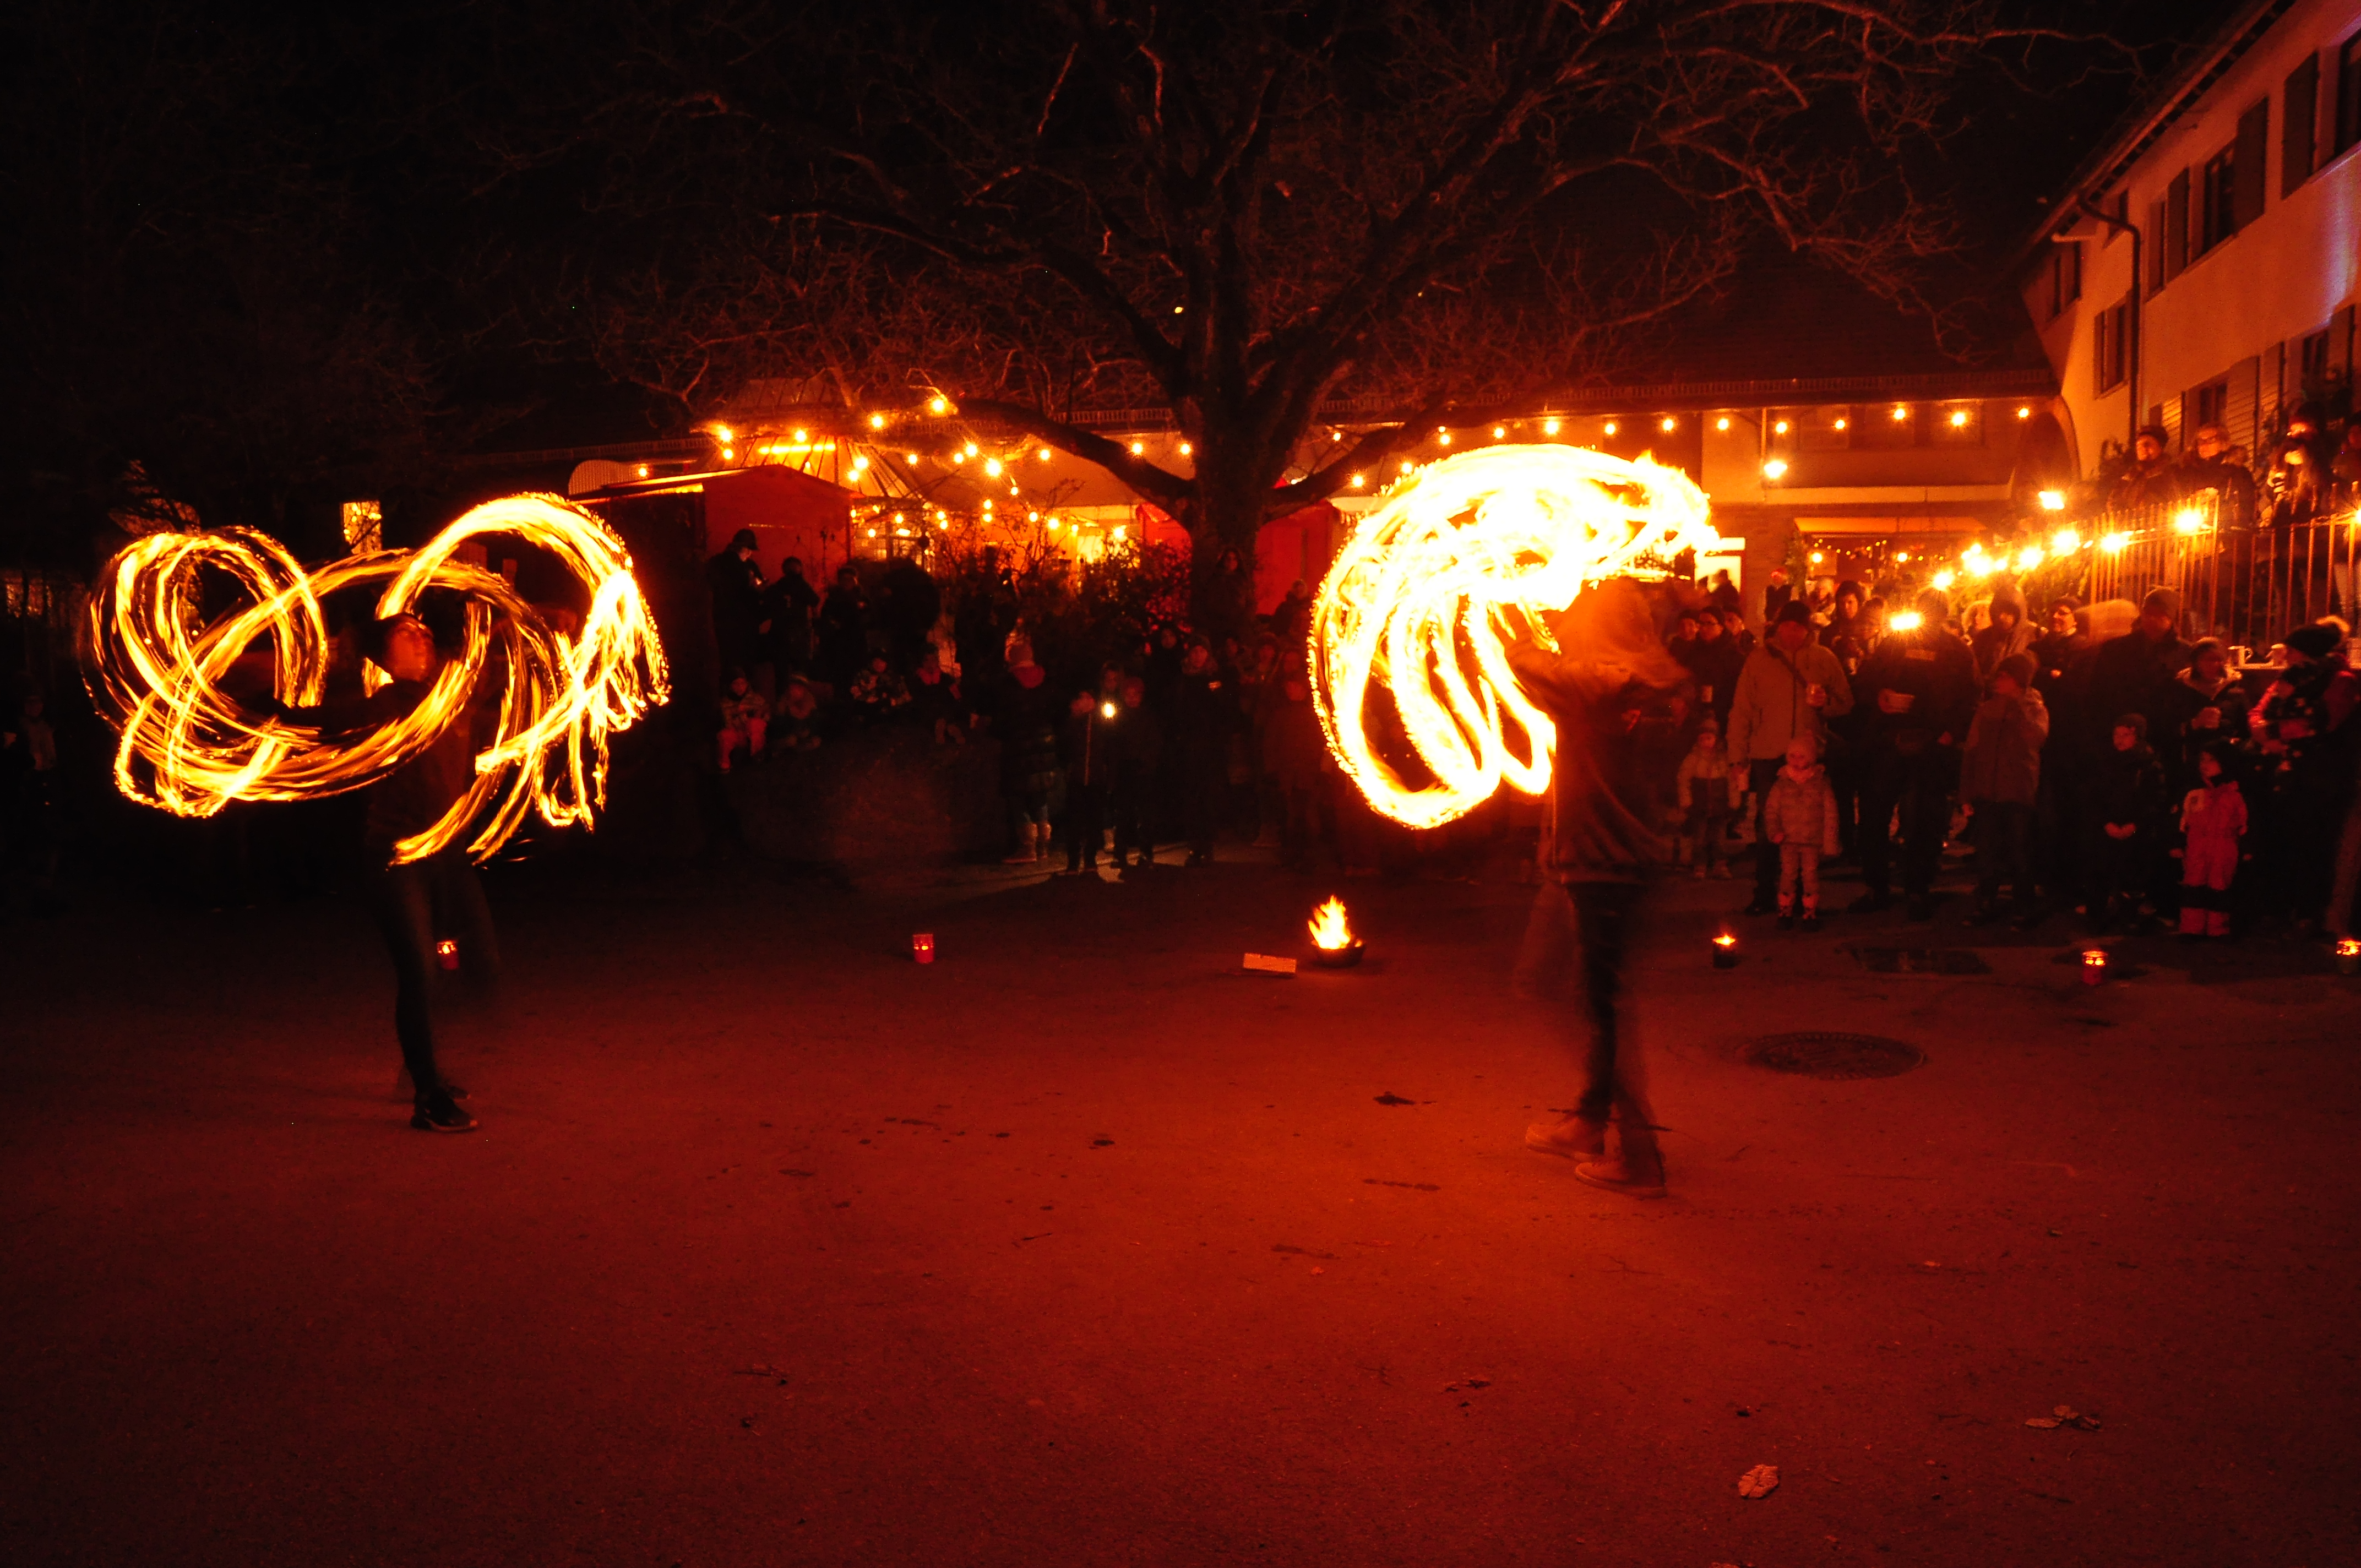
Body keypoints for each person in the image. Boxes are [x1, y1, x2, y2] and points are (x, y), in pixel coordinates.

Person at [270, 616, 492, 1134]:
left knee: (466, 964)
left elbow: (501, 657)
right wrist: (268, 714)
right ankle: (427, 1095)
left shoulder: (457, 692)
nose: (422, 635)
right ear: (385, 659)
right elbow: (321, 722)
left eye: (425, 630)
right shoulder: (384, 710)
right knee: (420, 970)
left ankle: (421, 1066)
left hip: (448, 854)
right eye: (407, 633)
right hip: (397, 860)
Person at [1510, 579, 1687, 1197]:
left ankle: (1639, 1156)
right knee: (1555, 983)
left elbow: (1526, 661)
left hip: (1603, 858)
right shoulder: (1651, 676)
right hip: (1601, 853)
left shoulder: (1604, 682)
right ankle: (1589, 1117)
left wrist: (1497, 600)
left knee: (1600, 1005)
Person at [1852, 587, 1978, 921]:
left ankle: (1917, 888)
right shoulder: (1895, 645)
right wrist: (1881, 697)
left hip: (1932, 744)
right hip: (1890, 739)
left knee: (1924, 821)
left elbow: (1970, 697)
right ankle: (1878, 886)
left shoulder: (1957, 652)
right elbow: (1866, 681)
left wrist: (1951, 733)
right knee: (1876, 817)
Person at [1725, 600, 1852, 917]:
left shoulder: (1823, 659)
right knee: (1770, 823)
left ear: (1808, 629)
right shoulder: (1759, 660)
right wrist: (1737, 756)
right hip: (1770, 754)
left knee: (1807, 828)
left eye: (1798, 627)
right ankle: (1766, 891)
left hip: (1809, 757)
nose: (1792, 632)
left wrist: (1824, 705)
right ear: (1777, 626)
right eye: (1787, 626)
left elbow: (1846, 703)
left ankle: (1803, 892)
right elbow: (1742, 710)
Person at [1960, 653, 2049, 927]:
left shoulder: (2034, 707)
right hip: (1988, 791)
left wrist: (2018, 706)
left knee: (2019, 851)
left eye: (2005, 676)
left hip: (2017, 792)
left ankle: (2024, 904)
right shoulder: (1987, 710)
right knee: (1987, 852)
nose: (1998, 681)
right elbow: (1972, 751)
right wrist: (1966, 793)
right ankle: (1985, 901)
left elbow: (2036, 738)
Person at [2087, 713, 2168, 933]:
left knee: (2133, 874)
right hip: (2109, 829)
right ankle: (2102, 915)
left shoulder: (2150, 766)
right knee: (2105, 871)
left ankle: (2130, 917)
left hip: (2137, 833)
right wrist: (2106, 823)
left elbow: (2155, 799)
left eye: (2126, 735)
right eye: (2116, 734)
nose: (2120, 740)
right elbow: (2095, 797)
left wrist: (2136, 825)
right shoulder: (2105, 763)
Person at [1762, 734, 1841, 930]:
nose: (1797, 761)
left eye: (1802, 757)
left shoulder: (1821, 784)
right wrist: (1774, 831)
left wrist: (1830, 842)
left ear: (1811, 758)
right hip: (1787, 840)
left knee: (1810, 876)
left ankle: (1809, 913)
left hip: (1811, 840)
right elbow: (1771, 811)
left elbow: (1831, 814)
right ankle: (1785, 911)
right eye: (1793, 757)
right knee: (1787, 874)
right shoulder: (1781, 783)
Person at [995, 636, 1061, 865]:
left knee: (1018, 797)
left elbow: (1002, 718)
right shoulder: (1046, 680)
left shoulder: (1008, 684)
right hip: (1044, 746)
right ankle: (1044, 845)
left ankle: (1027, 847)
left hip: (1018, 747)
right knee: (1040, 797)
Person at [1260, 662, 1329, 870]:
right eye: (1288, 687)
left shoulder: (1315, 715)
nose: (1291, 690)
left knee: (1309, 816)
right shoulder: (1281, 715)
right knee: (1291, 816)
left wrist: (1322, 771)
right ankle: (1292, 854)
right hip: (1288, 775)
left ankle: (1308, 857)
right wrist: (1272, 770)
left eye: (1295, 686)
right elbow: (1271, 744)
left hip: (1308, 774)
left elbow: (1321, 745)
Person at [2174, 743, 2247, 939]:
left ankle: (2218, 929)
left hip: (2224, 848)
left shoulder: (2235, 794)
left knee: (2220, 886)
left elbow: (2245, 825)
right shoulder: (2196, 792)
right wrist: (2178, 844)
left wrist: (2248, 849)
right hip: (2197, 847)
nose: (2205, 765)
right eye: (2203, 760)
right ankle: (2191, 928)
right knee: (2194, 885)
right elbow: (2182, 821)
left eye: (2211, 760)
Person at [1172, 639, 1232, 865]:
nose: (1198, 656)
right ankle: (1194, 845)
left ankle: (1207, 845)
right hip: (1188, 747)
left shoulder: (1214, 679)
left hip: (1210, 748)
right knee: (1191, 797)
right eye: (1194, 651)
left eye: (1201, 651)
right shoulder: (1183, 680)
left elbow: (1224, 710)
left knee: (1208, 797)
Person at [1057, 689, 1114, 875]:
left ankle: (1090, 860)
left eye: (1089, 698)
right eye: (1082, 698)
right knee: (1074, 821)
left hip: (1097, 778)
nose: (1085, 702)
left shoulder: (1101, 720)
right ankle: (1073, 862)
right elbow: (1064, 747)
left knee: (1094, 821)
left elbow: (1109, 747)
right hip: (1076, 778)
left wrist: (1108, 772)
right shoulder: (1073, 721)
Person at [1109, 675, 1163, 869]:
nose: (1132, 698)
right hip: (1125, 770)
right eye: (1128, 695)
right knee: (1123, 814)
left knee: (1145, 815)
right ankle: (1120, 853)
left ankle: (1146, 853)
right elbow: (1114, 745)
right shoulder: (1119, 717)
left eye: (1135, 695)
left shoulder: (1148, 716)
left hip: (1143, 771)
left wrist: (1148, 763)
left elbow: (1155, 743)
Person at [1674, 718, 1735, 879]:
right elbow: (1683, 779)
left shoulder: (1723, 759)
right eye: (1702, 739)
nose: (1706, 742)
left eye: (1709, 738)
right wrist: (1687, 801)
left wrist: (1734, 801)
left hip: (1719, 806)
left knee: (1719, 838)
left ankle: (1720, 865)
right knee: (1699, 838)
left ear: (1716, 739)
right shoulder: (1693, 759)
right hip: (1699, 806)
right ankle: (1700, 866)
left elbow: (1732, 781)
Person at [704, 528, 766, 677]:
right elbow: (757, 589)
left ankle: (728, 695)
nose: (750, 554)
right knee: (744, 663)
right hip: (744, 621)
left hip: (722, 619)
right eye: (749, 550)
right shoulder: (746, 567)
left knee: (727, 662)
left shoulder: (715, 563)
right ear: (743, 548)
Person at [2176, 423, 2259, 529]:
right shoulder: (2188, 473)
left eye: (2211, 440)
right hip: (2192, 531)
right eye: (2201, 441)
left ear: (2223, 443)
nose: (2204, 445)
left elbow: (2247, 502)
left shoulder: (2237, 472)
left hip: (2227, 530)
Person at [1970, 584, 2037, 693]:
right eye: (1998, 611)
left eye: (2008, 612)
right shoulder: (1983, 638)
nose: (2001, 617)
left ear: (2019, 612)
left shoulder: (2035, 635)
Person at [760, 556, 820, 678]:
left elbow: (766, 604)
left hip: (782, 634)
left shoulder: (779, 586)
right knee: (798, 670)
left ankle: (785, 694)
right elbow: (815, 600)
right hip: (795, 634)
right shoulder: (799, 586)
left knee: (783, 670)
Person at [815, 565, 869, 689]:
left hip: (857, 642)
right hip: (838, 644)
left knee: (856, 674)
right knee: (839, 676)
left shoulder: (862, 597)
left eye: (850, 579)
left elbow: (869, 617)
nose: (847, 582)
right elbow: (826, 617)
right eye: (844, 579)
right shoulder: (834, 598)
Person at [2109, 426, 2183, 513]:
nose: (2143, 449)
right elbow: (2114, 501)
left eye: (2147, 444)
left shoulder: (2173, 472)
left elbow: (2177, 499)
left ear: (2160, 447)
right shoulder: (2130, 476)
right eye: (2139, 446)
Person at [907, 644, 969, 743]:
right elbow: (918, 700)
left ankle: (947, 727)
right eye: (927, 661)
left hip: (945, 710)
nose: (930, 664)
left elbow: (956, 697)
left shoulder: (946, 678)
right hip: (928, 711)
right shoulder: (917, 681)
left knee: (946, 712)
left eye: (933, 660)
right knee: (930, 713)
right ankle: (945, 727)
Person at [716, 670, 770, 771]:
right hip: (739, 734)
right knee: (724, 735)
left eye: (742, 683)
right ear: (730, 686)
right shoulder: (725, 703)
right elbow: (728, 722)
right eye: (736, 684)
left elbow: (766, 714)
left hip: (754, 734)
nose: (740, 687)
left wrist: (760, 715)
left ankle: (757, 756)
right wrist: (742, 717)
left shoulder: (756, 698)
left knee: (755, 724)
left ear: (747, 684)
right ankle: (724, 766)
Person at [846, 652, 912, 724]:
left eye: (882, 662)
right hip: (868, 707)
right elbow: (855, 692)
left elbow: (906, 695)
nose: (879, 665)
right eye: (876, 662)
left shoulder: (894, 677)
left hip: (889, 709)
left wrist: (896, 701)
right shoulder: (863, 674)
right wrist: (866, 698)